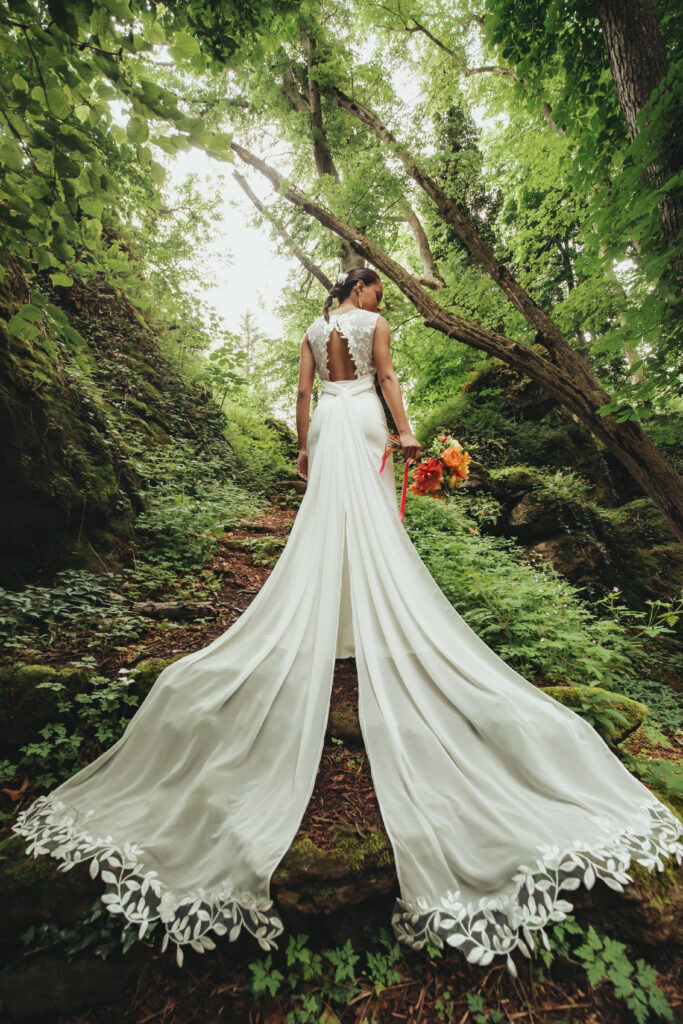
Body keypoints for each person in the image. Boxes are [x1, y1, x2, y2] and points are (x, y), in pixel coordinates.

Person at [11, 267, 683, 974]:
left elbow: (300, 393)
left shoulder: (310, 329)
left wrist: (301, 446)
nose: (381, 303)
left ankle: (340, 629)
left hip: (330, 422)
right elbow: (388, 380)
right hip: (361, 414)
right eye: (377, 293)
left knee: (328, 522)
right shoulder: (373, 328)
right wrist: (406, 429)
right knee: (367, 526)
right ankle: (362, 626)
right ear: (359, 290)